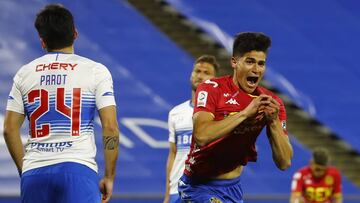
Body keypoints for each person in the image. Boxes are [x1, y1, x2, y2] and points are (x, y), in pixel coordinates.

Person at [3, 4, 119, 203]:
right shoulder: (95, 71)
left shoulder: (25, 73)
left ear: (42, 41)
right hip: (77, 169)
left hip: (35, 172)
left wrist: (27, 170)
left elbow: (9, 129)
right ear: (75, 33)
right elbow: (110, 127)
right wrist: (109, 176)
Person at [178, 32, 293, 203]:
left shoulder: (272, 103)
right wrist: (245, 113)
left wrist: (274, 122)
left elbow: (284, 162)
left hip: (232, 188)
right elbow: (202, 136)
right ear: (234, 62)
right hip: (198, 186)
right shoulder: (211, 89)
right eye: (249, 61)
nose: (256, 69)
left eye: (261, 64)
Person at [163, 55, 219, 203]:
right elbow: (173, 154)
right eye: (197, 71)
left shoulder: (221, 114)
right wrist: (168, 193)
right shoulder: (176, 112)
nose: (200, 76)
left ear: (215, 80)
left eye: (206, 73)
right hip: (178, 189)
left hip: (206, 190)